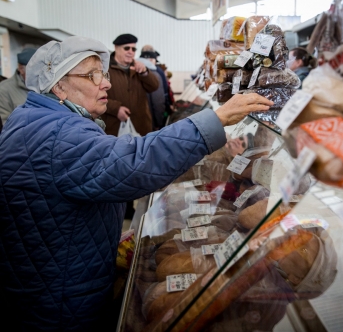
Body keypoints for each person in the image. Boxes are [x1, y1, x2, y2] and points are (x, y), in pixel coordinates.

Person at [0, 36, 273, 331]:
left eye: (103, 74)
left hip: (50, 278)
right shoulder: (56, 134)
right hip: (59, 302)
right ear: (59, 87)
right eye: (93, 75)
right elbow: (134, 163)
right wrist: (215, 120)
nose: (106, 84)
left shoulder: (36, 119)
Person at [101, 33, 159, 137]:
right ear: (116, 48)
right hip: (114, 127)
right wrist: (115, 109)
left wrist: (145, 72)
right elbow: (95, 95)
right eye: (127, 48)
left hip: (141, 127)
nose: (130, 52)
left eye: (133, 49)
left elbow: (154, 87)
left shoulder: (138, 68)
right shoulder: (105, 69)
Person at [0, 47, 37, 123]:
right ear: (21, 69)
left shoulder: (44, 86)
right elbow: (5, 124)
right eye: (34, 70)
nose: (39, 74)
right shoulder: (3, 89)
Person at [139, 46, 171, 129]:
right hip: (150, 122)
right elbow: (158, 101)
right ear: (151, 60)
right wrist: (159, 122)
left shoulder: (133, 71)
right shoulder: (155, 74)